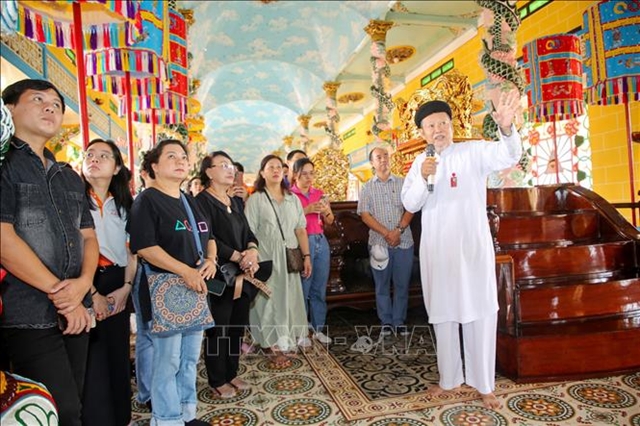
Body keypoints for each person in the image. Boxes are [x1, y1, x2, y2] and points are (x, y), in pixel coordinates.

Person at [401, 90, 522, 409]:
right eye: (431, 126)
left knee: (479, 311)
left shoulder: (473, 152)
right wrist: (422, 178)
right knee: (443, 314)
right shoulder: (420, 163)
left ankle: (484, 384)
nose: (438, 129)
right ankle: (449, 379)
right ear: (423, 133)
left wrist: (506, 128)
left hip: (472, 249)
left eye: (443, 123)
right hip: (438, 252)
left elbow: (509, 155)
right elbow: (410, 203)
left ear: (452, 126)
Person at [0, 79, 99, 426]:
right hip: (28, 309)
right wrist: (64, 295)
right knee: (49, 409)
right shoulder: (5, 165)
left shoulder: (68, 176)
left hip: (76, 306)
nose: (50, 108)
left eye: (57, 104)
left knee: (74, 403)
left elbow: (89, 237)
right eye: (38, 99)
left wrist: (83, 285)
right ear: (9, 109)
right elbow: (3, 239)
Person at [128, 139, 216, 426]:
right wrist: (184, 270)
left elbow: (209, 236)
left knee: (190, 357)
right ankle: (166, 419)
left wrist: (211, 260)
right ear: (154, 166)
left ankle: (187, 414)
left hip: (193, 287)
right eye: (171, 156)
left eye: (183, 157)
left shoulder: (190, 201)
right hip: (162, 287)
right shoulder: (147, 200)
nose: (180, 161)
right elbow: (145, 247)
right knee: (167, 360)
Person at [80, 138, 136, 426]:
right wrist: (92, 294)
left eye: (104, 156)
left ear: (116, 168)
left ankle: (121, 416)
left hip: (118, 280)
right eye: (90, 154)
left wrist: (126, 288)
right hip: (84, 282)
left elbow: (132, 250)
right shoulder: (74, 199)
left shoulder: (125, 204)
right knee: (92, 356)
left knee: (117, 351)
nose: (95, 159)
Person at [196, 151, 260, 399]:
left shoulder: (235, 202)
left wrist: (252, 251)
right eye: (223, 165)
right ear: (209, 172)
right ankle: (217, 378)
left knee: (236, 326)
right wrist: (237, 256)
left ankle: (231, 372)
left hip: (241, 274)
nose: (230, 169)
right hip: (218, 275)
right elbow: (207, 237)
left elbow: (249, 233)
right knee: (219, 327)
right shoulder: (201, 202)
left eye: (231, 165)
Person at [245, 155, 311, 364]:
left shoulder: (293, 199)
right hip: (266, 258)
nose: (275, 170)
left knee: (289, 300)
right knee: (267, 303)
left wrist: (306, 256)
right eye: (270, 167)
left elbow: (300, 230)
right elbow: (249, 232)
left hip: (289, 257)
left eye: (279, 167)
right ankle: (268, 344)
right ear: (262, 173)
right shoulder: (256, 199)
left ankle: (285, 341)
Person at [357, 146, 414, 337]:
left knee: (402, 284)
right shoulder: (367, 187)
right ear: (372, 163)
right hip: (379, 243)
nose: (383, 160)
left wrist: (398, 231)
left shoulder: (403, 183)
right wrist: (387, 233)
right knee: (381, 285)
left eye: (385, 156)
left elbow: (411, 207)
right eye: (378, 157)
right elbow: (365, 215)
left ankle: (399, 321)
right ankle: (386, 322)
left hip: (404, 241)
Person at [290, 157, 334, 344]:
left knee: (319, 288)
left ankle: (318, 329)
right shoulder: (290, 195)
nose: (309, 178)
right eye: (304, 174)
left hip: (320, 240)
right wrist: (307, 209)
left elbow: (330, 220)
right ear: (296, 175)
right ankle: (301, 331)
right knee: (302, 289)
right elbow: (288, 221)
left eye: (311, 174)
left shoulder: (319, 193)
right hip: (302, 241)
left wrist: (325, 211)